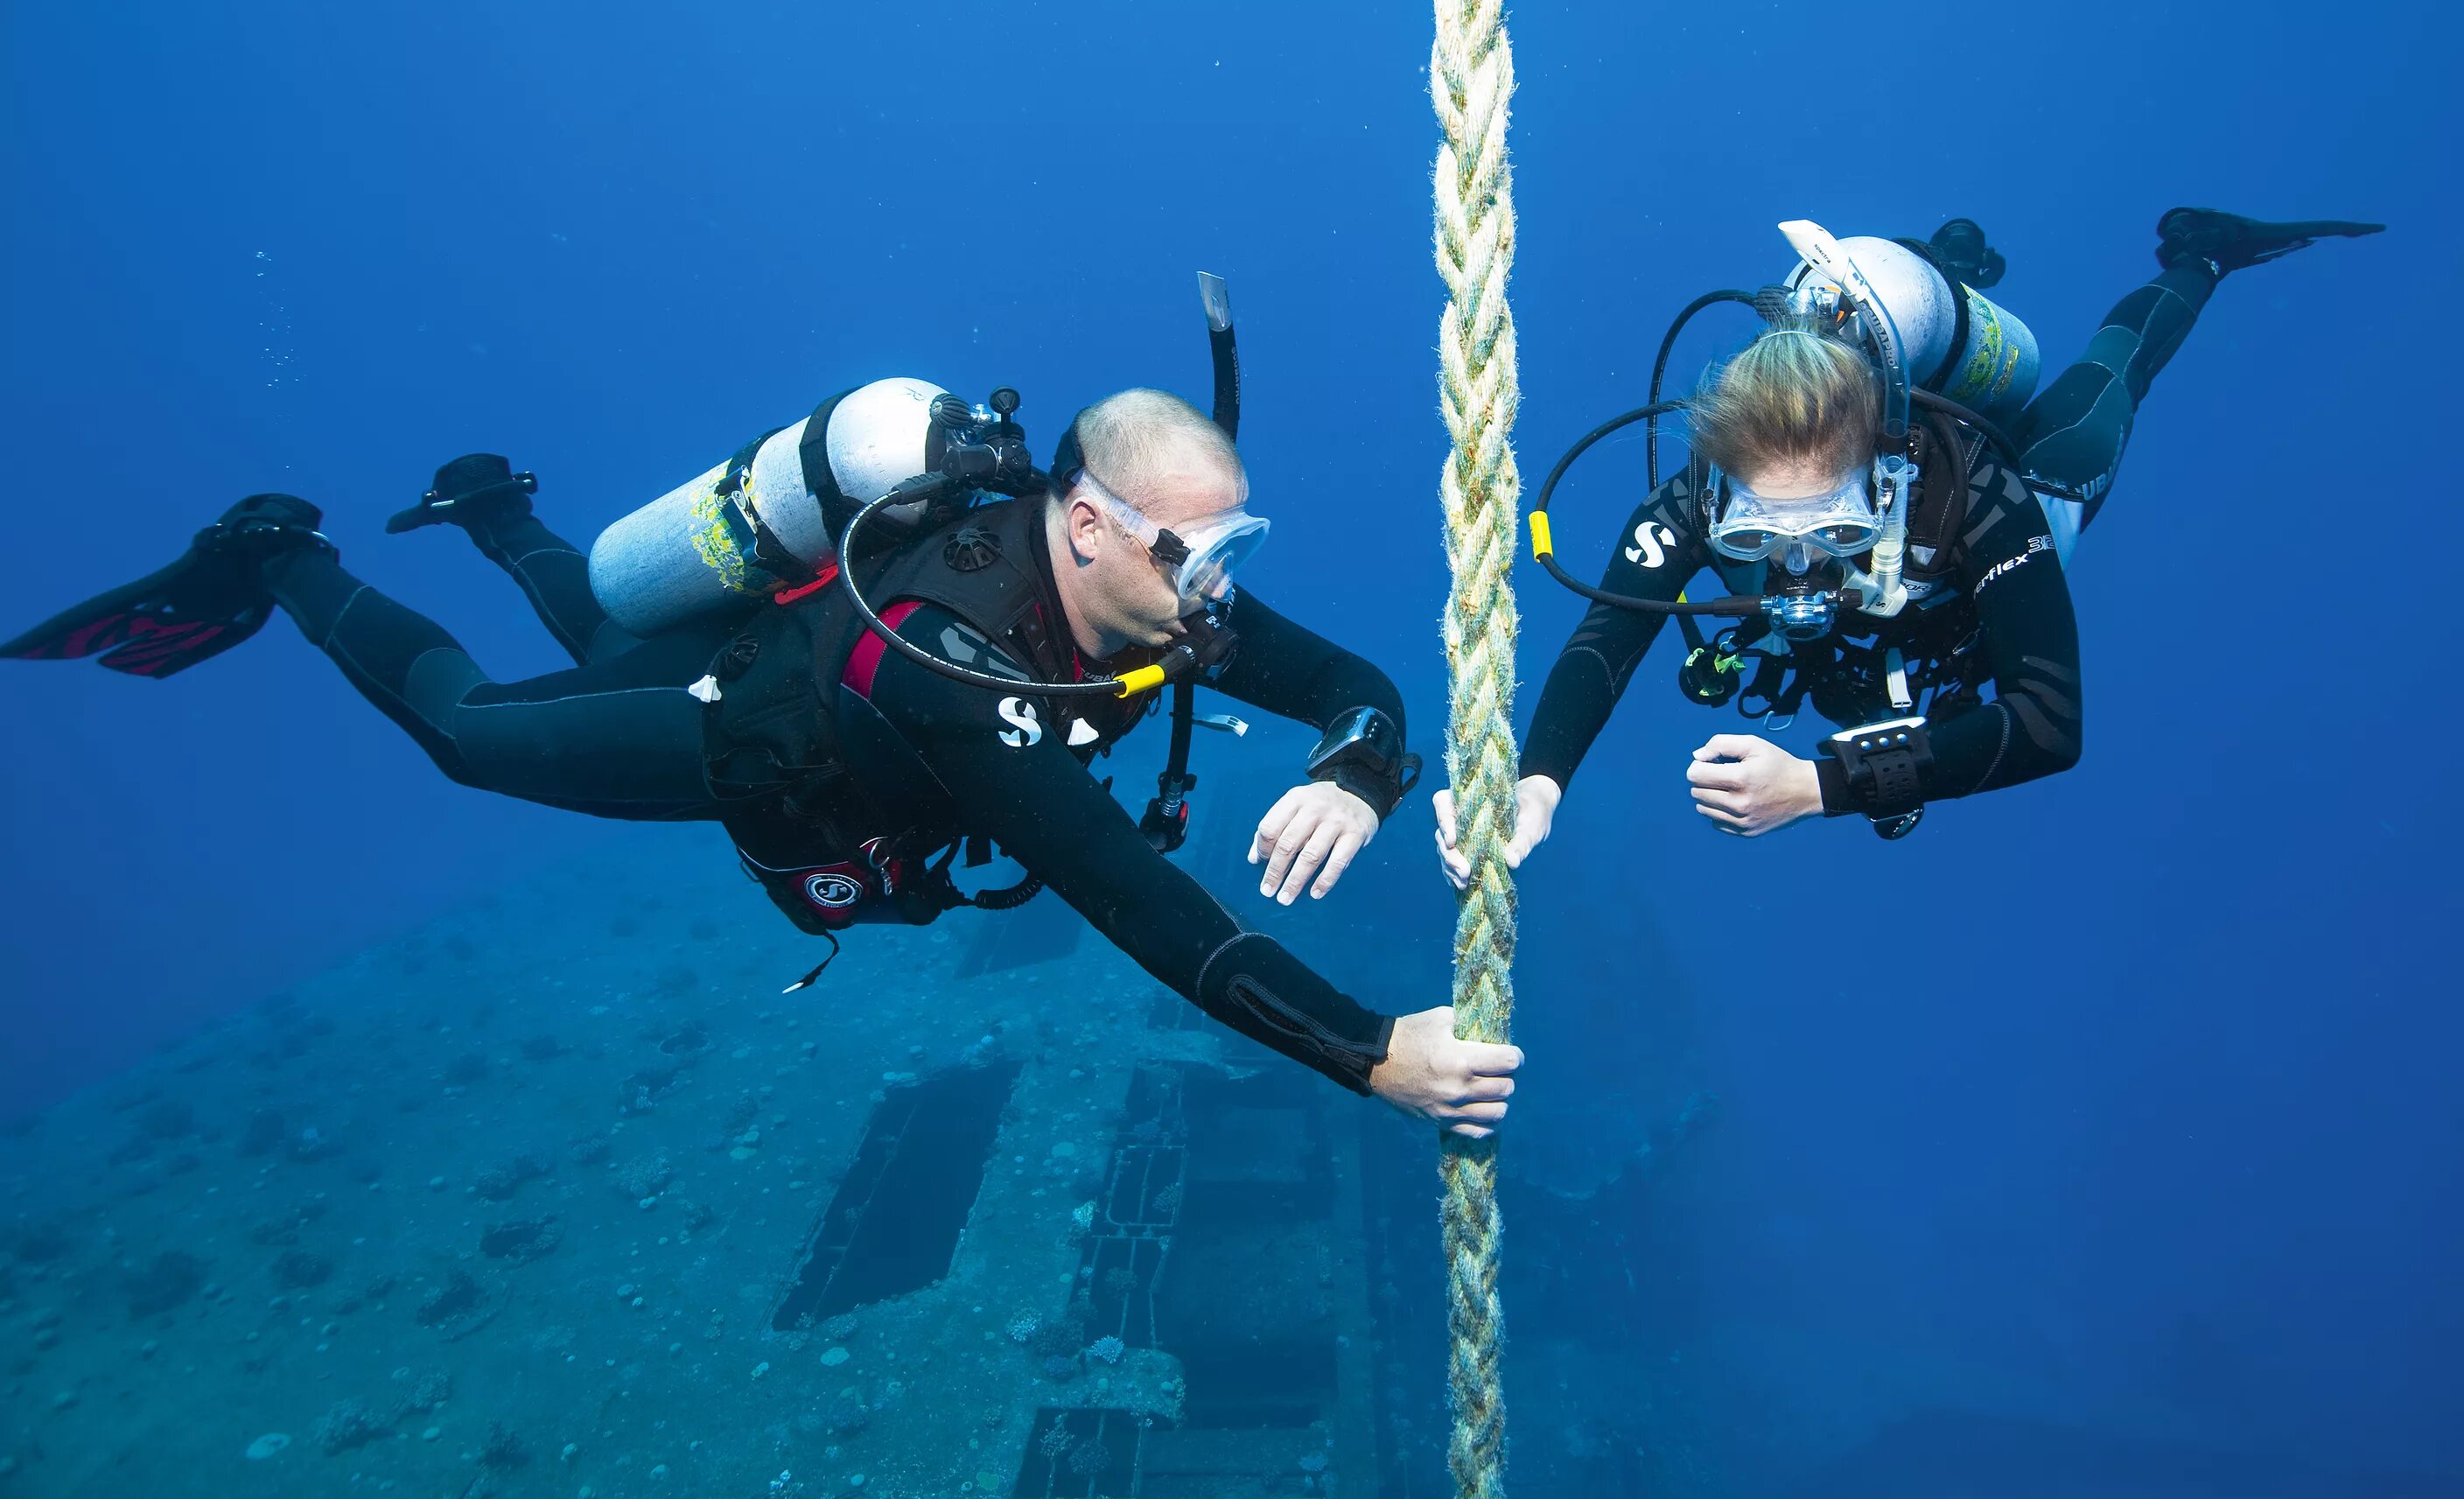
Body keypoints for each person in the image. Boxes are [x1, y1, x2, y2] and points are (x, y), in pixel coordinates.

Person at [9, 388, 1520, 1136]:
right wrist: (1369, 1052)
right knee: (478, 735)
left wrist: (1353, 769)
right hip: (750, 733)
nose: (1217, 582)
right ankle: (286, 560)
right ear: (1083, 522)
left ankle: (487, 510)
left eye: (1235, 544)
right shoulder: (955, 659)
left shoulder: (1162, 595)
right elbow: (1134, 897)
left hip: (793, 674)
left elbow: (1347, 679)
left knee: (608, 624)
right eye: (1195, 546)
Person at [1436, 206, 2383, 879]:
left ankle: (2201, 256)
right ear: (1720, 489)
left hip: (1985, 538)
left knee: (2103, 390)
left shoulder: (1972, 490)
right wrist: (1539, 779)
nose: (1800, 565)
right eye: (1762, 531)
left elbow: (2050, 723)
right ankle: (1943, 257)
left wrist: (1820, 784)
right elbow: (1605, 639)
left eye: (1837, 527)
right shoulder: (1686, 501)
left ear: (1885, 476)